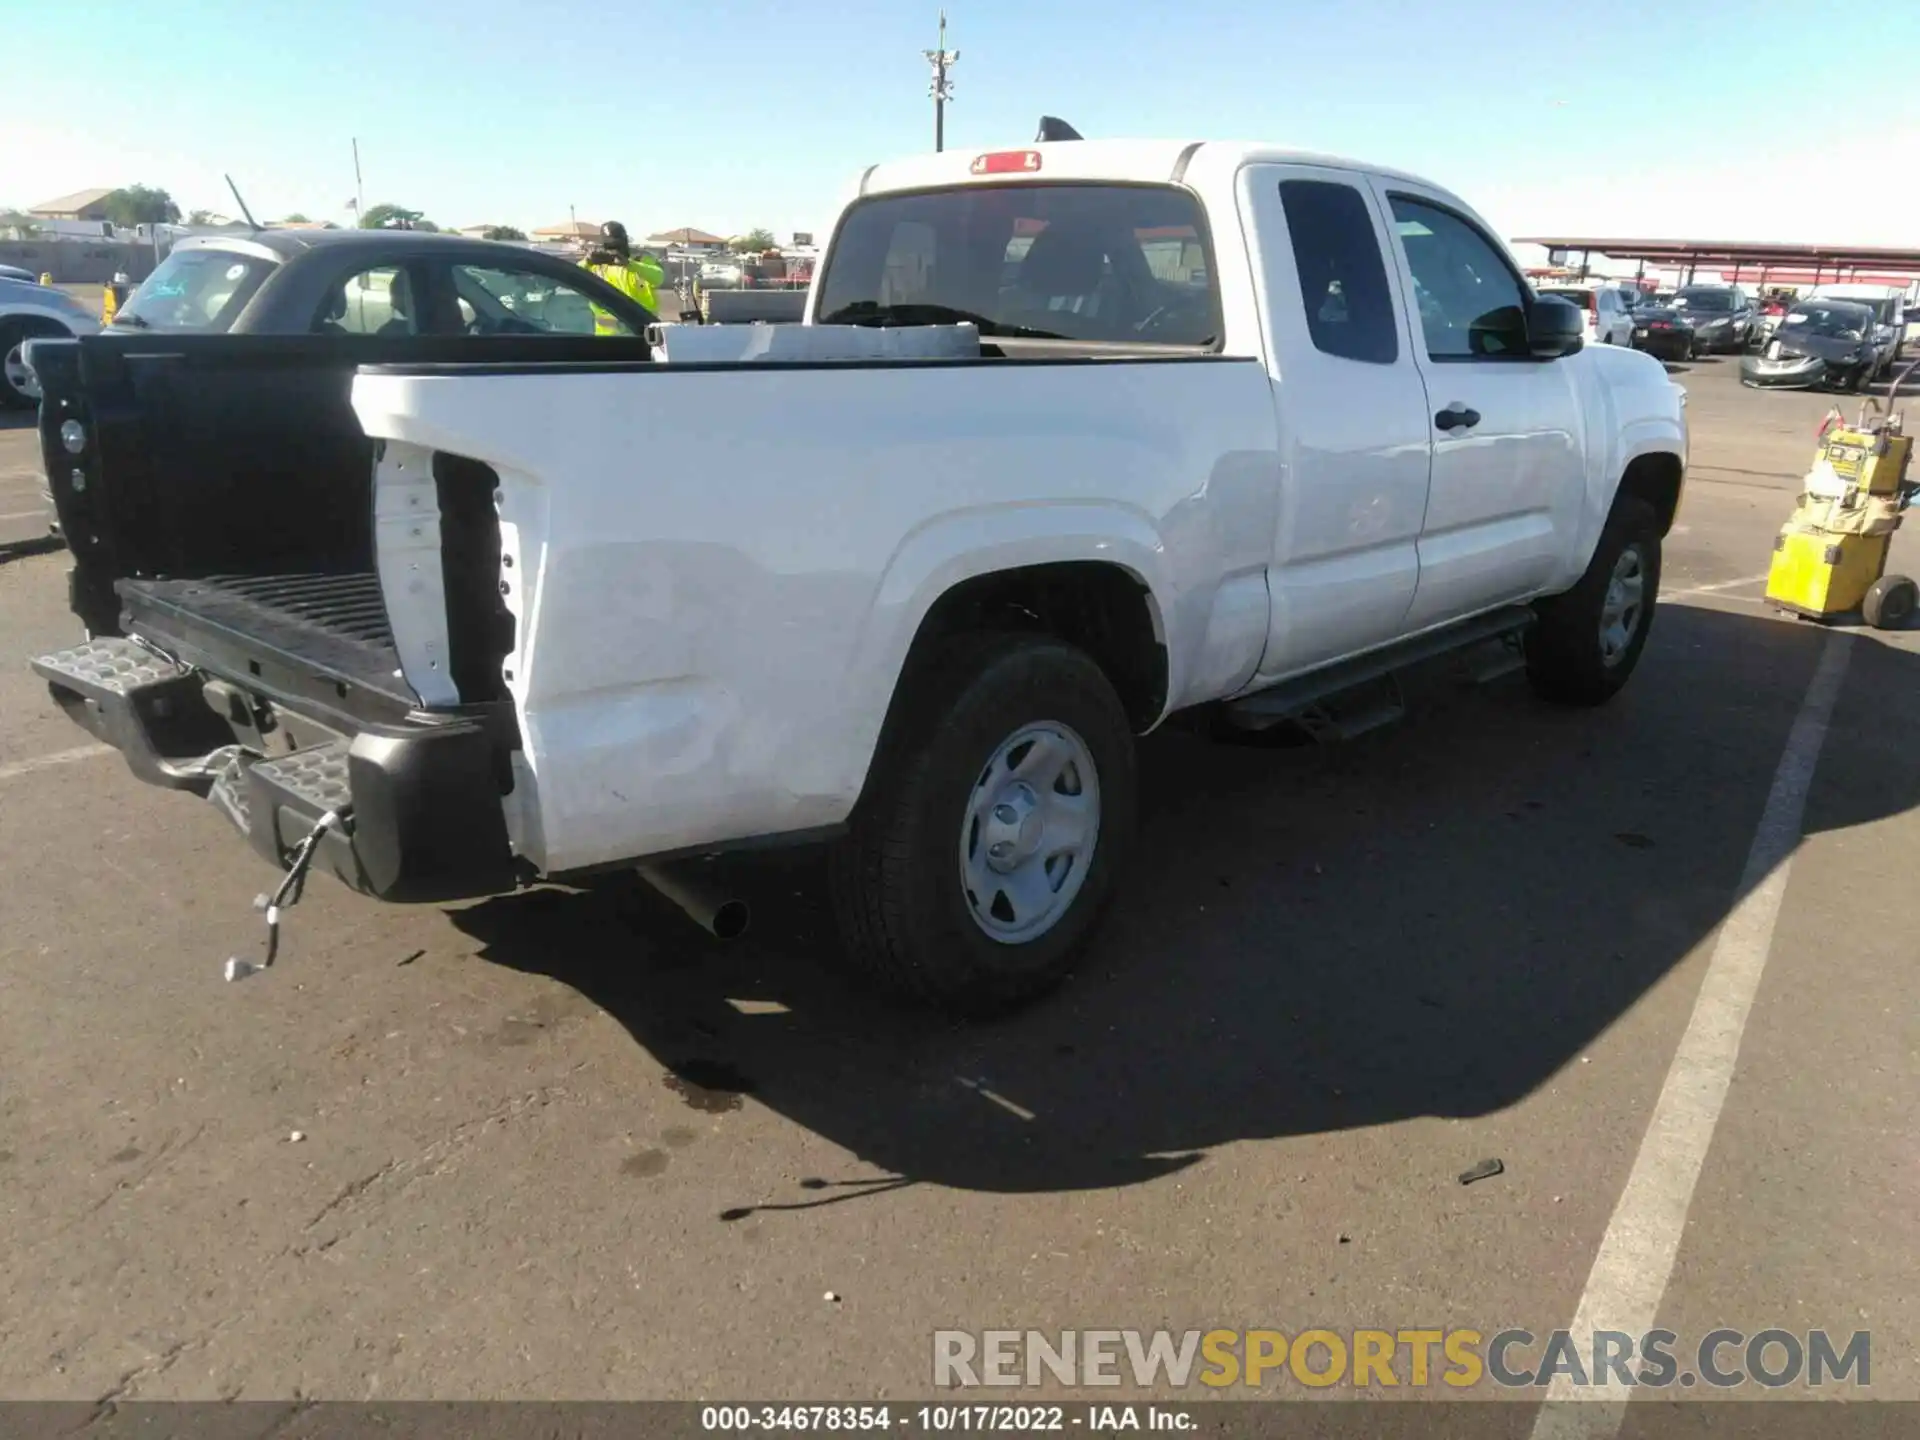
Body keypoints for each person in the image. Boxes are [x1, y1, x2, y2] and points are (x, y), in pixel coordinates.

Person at [580, 221, 663, 330]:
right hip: (608, 337)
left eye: (618, 245)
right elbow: (571, 276)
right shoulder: (596, 265)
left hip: (641, 331)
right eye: (610, 246)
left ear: (625, 242)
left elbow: (659, 278)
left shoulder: (641, 260)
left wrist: (630, 264)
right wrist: (587, 261)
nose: (614, 250)